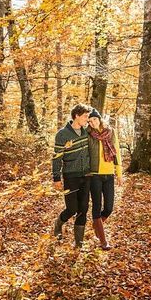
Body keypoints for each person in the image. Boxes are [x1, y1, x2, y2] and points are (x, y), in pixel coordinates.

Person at [52, 104, 91, 248]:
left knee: (83, 208)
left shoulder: (87, 132)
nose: (87, 119)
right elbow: (57, 157)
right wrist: (56, 178)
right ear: (76, 116)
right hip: (70, 176)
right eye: (85, 116)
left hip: (86, 175)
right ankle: (58, 223)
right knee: (72, 209)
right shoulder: (62, 134)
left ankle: (79, 243)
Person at [87, 108, 123, 250]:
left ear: (99, 118)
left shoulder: (111, 132)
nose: (92, 123)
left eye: (94, 119)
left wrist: (119, 173)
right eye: (89, 121)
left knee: (108, 207)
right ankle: (103, 241)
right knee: (96, 206)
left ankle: (97, 224)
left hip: (109, 174)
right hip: (94, 175)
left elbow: (117, 151)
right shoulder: (88, 134)